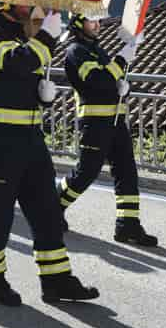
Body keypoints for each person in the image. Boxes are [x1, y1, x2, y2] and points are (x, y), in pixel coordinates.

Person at [0, 0, 99, 307]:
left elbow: (23, 75)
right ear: (7, 2)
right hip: (1, 139)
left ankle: (56, 280)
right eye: (26, 0)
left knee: (47, 213)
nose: (32, 6)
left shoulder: (18, 34)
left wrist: (41, 97)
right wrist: (48, 33)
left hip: (29, 138)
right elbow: (19, 63)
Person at [59, 13, 157, 246]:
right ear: (77, 24)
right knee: (86, 172)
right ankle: (53, 206)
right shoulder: (76, 52)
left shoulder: (97, 50)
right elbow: (98, 81)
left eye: (98, 20)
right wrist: (122, 58)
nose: (97, 24)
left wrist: (125, 88)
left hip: (116, 121)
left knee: (126, 172)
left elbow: (112, 82)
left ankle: (128, 225)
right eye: (92, 20)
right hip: (94, 123)